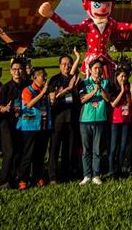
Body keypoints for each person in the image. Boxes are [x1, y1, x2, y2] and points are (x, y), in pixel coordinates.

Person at [48, 50, 82, 184]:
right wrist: (67, 89)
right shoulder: (54, 80)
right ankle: (53, 176)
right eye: (64, 64)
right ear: (59, 66)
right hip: (58, 118)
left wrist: (78, 57)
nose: (66, 66)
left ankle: (66, 173)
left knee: (69, 147)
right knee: (55, 148)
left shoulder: (75, 79)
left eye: (69, 64)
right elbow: (52, 98)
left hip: (72, 118)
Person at [0, 57, 28, 189]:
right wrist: (5, 109)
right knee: (9, 152)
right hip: (7, 123)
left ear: (23, 70)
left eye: (20, 69)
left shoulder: (28, 85)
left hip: (24, 122)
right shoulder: (5, 87)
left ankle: (18, 177)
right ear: (10, 71)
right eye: (14, 69)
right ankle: (4, 180)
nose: (17, 72)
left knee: (20, 151)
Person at [17, 67, 51, 189]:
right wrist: (42, 94)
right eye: (42, 75)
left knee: (39, 154)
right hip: (29, 127)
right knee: (28, 154)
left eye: (45, 75)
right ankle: (23, 179)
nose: (44, 78)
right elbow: (29, 104)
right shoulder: (28, 90)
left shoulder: (44, 90)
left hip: (42, 126)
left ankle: (38, 177)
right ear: (34, 77)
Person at [79, 59, 110, 185]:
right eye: (95, 68)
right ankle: (86, 175)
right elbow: (82, 99)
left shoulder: (106, 82)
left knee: (97, 149)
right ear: (90, 70)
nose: (98, 70)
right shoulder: (84, 83)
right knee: (86, 149)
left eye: (100, 68)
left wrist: (100, 88)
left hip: (100, 119)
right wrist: (93, 91)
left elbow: (107, 99)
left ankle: (96, 175)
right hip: (86, 119)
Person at [108, 67, 132, 178]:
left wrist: (130, 91)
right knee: (113, 146)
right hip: (115, 120)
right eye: (121, 76)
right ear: (116, 77)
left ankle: (119, 169)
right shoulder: (113, 87)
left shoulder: (129, 87)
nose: (123, 78)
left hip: (126, 120)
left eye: (125, 76)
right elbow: (113, 104)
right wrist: (122, 91)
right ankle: (111, 170)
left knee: (123, 146)